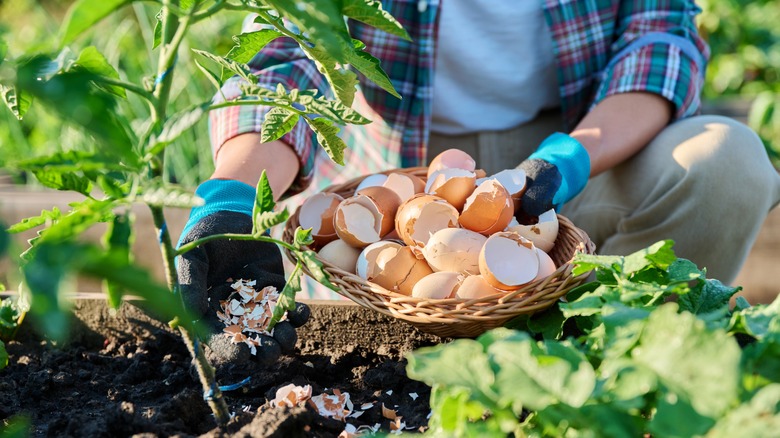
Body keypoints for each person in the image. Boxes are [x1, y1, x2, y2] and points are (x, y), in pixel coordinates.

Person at [177, 1, 780, 364]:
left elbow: (659, 37)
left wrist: (569, 158)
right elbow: (288, 55)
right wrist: (232, 194)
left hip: (582, 146)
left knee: (726, 163)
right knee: (375, 335)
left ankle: (627, 368)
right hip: (398, 172)